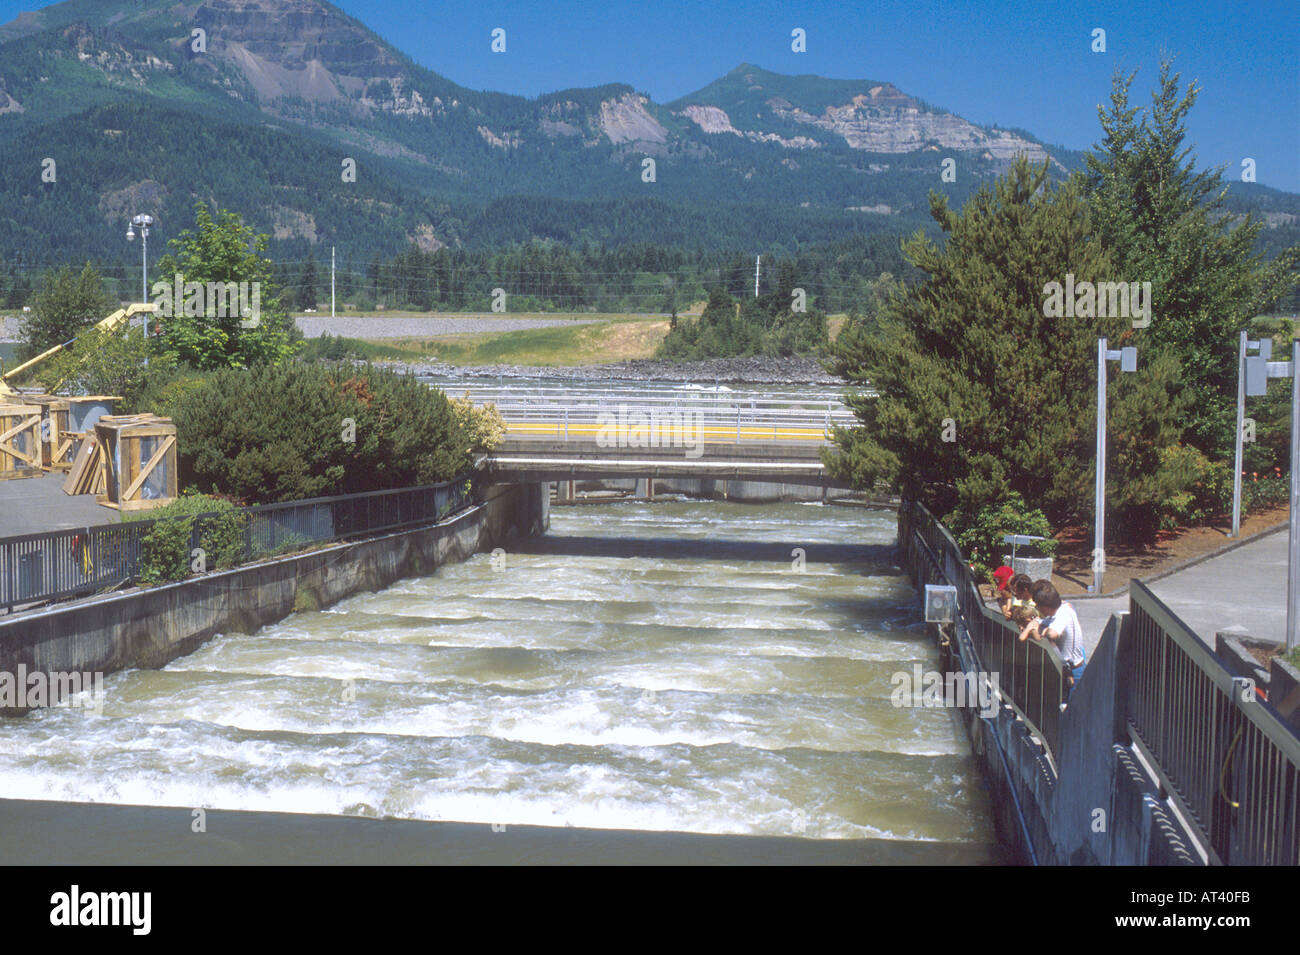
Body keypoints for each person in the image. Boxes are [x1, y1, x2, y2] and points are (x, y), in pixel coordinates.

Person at [1018, 580, 1086, 699]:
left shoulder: (1063, 613)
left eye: (1038, 606)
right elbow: (1036, 623)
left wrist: (1042, 630)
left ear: (1044, 606)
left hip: (1074, 671)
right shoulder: (1054, 614)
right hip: (1063, 670)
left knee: (1071, 713)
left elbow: (1052, 634)